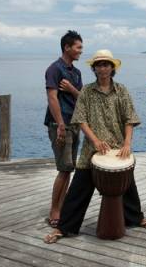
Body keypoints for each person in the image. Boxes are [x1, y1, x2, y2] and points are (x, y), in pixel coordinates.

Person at [44, 49, 146, 244]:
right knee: (79, 189)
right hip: (92, 149)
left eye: (106, 64)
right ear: (94, 69)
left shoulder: (121, 90)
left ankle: (136, 218)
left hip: (118, 147)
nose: (103, 68)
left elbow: (129, 119)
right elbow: (81, 120)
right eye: (99, 65)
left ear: (112, 68)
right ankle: (64, 228)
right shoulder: (86, 91)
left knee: (128, 184)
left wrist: (127, 143)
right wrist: (95, 141)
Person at [44, 30, 83, 228]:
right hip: (60, 125)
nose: (80, 51)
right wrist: (60, 124)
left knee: (69, 169)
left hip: (74, 124)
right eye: (78, 47)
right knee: (63, 169)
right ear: (67, 47)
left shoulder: (76, 73)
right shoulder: (54, 69)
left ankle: (62, 205)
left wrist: (71, 89)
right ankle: (54, 210)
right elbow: (52, 98)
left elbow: (81, 98)